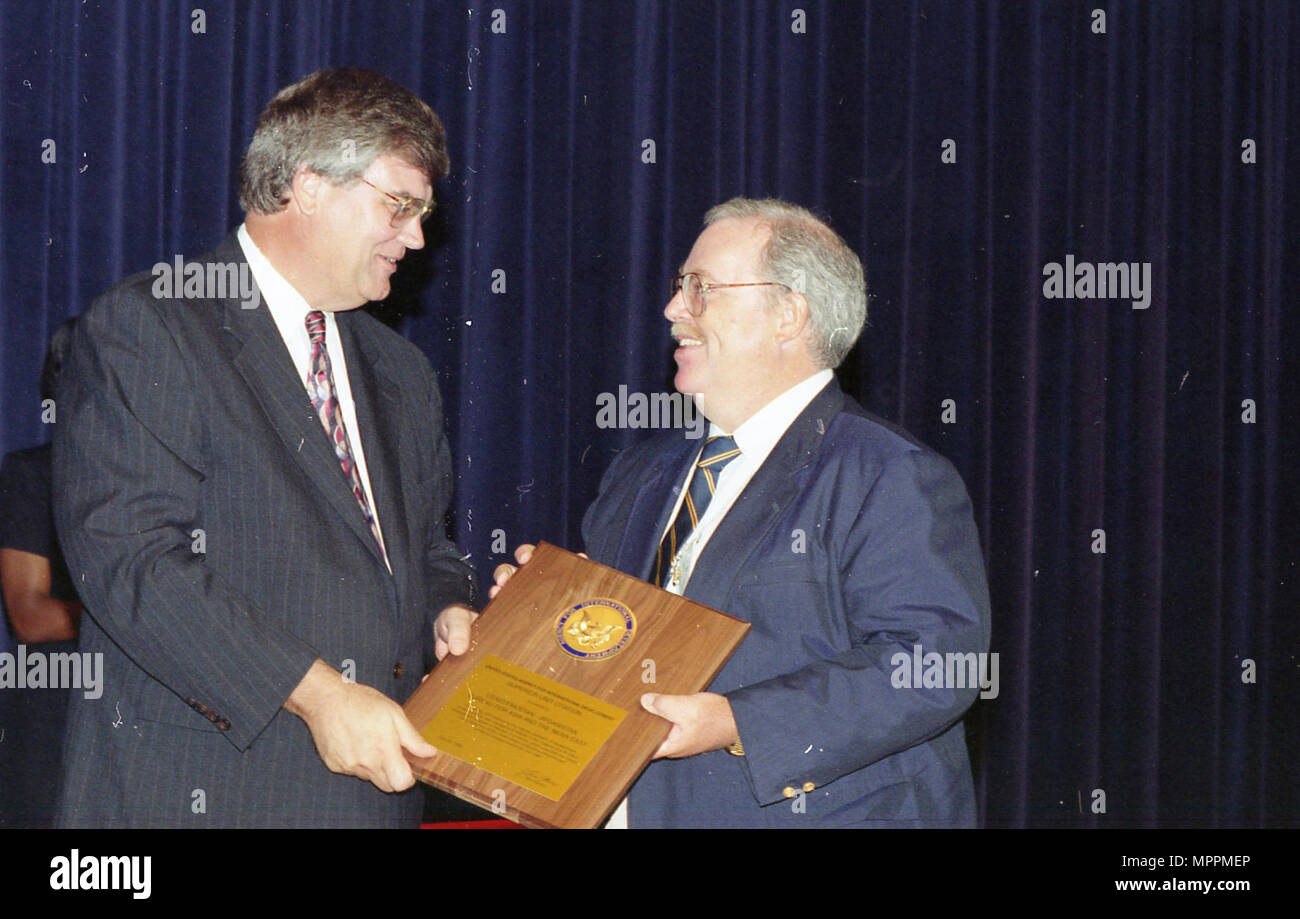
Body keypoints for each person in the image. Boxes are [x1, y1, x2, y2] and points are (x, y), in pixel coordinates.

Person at [53, 69, 478, 828]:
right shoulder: (154, 325)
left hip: (371, 803)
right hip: (206, 795)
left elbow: (426, 545)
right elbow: (133, 558)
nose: (416, 236)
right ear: (309, 185)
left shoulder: (402, 372)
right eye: (400, 205)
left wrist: (449, 605)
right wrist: (317, 693)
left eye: (423, 213)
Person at [496, 198, 991, 827]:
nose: (674, 309)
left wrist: (736, 722)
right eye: (680, 288)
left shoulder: (888, 474)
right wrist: (546, 612)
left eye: (700, 288)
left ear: (788, 314)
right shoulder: (639, 473)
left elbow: (933, 667)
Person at [0, 322, 82, 827]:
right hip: (53, 708)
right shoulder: (34, 473)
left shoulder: (162, 484)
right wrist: (131, 609)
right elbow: (30, 617)